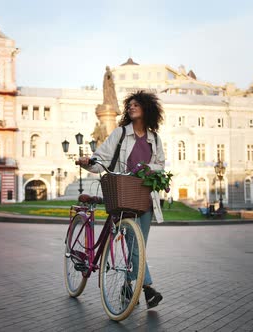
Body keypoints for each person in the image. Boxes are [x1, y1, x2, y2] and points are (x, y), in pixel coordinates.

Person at [79, 90, 165, 309]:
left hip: (145, 196)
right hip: (124, 194)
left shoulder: (154, 138)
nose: (131, 107)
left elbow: (161, 165)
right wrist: (88, 163)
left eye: (136, 104)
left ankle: (128, 286)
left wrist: (147, 168)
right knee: (135, 245)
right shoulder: (120, 133)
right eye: (130, 105)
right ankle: (147, 289)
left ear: (147, 109)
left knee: (139, 247)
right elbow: (102, 159)